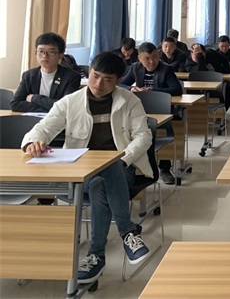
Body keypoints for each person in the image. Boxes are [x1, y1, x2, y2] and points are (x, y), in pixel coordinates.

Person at [21, 52, 152, 283]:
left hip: (122, 167)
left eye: (107, 79)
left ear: (118, 80)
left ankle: (95, 255)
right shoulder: (70, 102)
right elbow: (44, 127)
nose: (99, 83)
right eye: (95, 76)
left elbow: (143, 136)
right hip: (83, 172)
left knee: (106, 173)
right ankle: (128, 231)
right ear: (88, 72)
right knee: (99, 182)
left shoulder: (130, 101)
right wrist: (34, 141)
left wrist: (123, 158)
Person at [119, 42, 182, 184]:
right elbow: (120, 84)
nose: (152, 61)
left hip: (161, 111)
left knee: (159, 133)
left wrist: (152, 91)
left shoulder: (166, 69)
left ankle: (164, 168)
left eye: (154, 57)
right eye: (147, 58)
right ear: (139, 58)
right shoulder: (135, 68)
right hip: (140, 111)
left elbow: (177, 89)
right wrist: (131, 88)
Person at [10, 32, 81, 112]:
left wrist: (35, 98)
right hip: (32, 118)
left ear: (61, 54)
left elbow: (66, 106)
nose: (45, 56)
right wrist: (48, 108)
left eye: (51, 52)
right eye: (41, 51)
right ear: (36, 53)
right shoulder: (28, 75)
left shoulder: (72, 77)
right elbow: (15, 104)